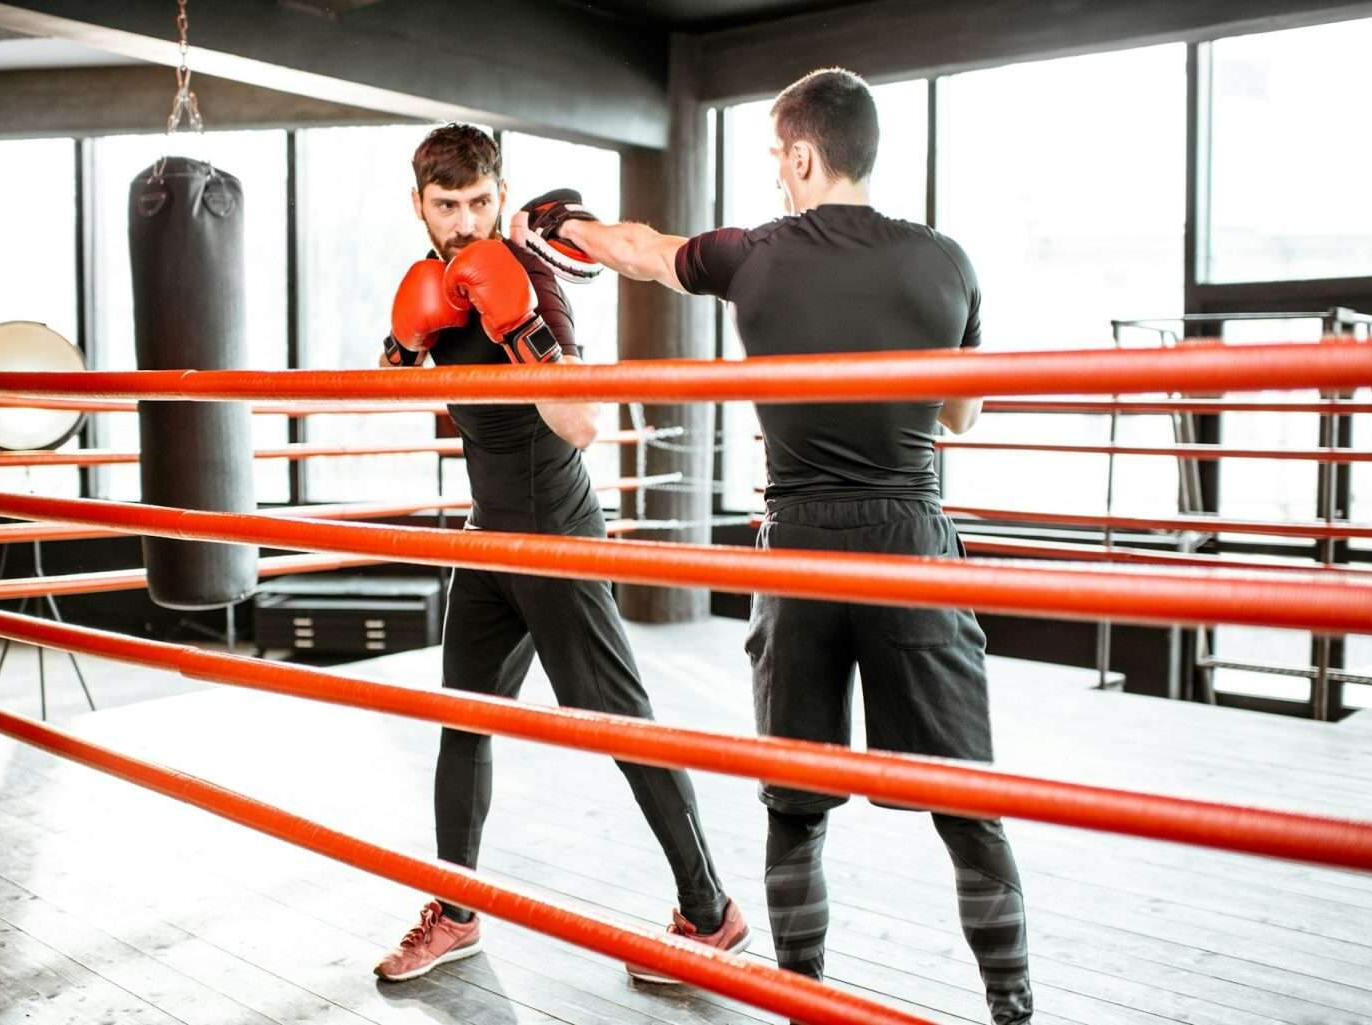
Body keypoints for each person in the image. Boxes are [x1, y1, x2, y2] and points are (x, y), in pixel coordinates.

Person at [520, 69, 1033, 1024]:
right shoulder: (948, 261)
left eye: (775, 158)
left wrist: (562, 224)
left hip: (795, 544)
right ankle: (1012, 1004)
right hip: (911, 538)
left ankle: (804, 997)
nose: (775, 176)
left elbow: (643, 251)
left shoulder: (752, 253)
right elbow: (962, 411)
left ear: (802, 154)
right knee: (965, 800)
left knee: (796, 807)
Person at [372, 124, 747, 984]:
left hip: (557, 529)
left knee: (613, 716)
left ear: (500, 196)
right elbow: (390, 388)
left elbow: (582, 424)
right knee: (464, 719)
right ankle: (455, 907)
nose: (465, 223)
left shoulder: (527, 275)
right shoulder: (431, 281)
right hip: (489, 531)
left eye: (479, 203)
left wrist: (518, 331)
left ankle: (709, 910)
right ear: (420, 205)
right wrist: (407, 337)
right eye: (447, 206)